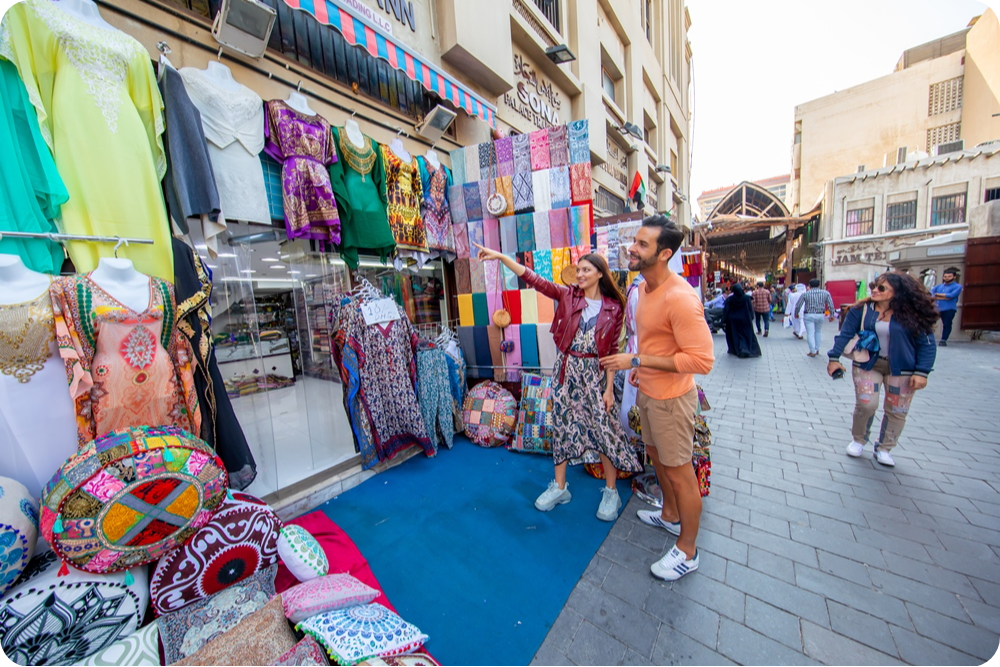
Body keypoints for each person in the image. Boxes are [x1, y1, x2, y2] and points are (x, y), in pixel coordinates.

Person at [473, 243, 641, 521]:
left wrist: (610, 388)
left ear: (600, 273)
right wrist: (502, 257)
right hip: (566, 371)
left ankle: (611, 490)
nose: (580, 274)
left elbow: (612, 351)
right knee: (561, 426)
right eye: (579, 270)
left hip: (597, 375)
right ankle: (560, 486)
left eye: (587, 270)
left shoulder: (614, 307)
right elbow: (534, 279)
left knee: (604, 431)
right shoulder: (567, 296)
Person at [601, 214, 715, 581]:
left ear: (664, 253)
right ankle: (669, 514)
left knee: (681, 473)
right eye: (635, 241)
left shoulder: (680, 297)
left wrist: (637, 360)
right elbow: (656, 343)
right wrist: (642, 369)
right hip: (648, 392)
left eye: (642, 244)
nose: (632, 248)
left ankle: (687, 550)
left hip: (672, 400)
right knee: (659, 462)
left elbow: (702, 360)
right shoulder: (644, 289)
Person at [827, 271, 937, 467]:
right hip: (868, 363)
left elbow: (927, 343)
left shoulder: (912, 313)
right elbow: (845, 334)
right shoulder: (862, 310)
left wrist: (922, 371)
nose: (875, 290)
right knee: (866, 404)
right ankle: (858, 439)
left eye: (882, 288)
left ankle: (885, 448)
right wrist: (833, 358)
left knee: (897, 409)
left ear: (899, 292)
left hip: (903, 368)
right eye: (874, 287)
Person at [795, 279, 836, 357]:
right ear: (819, 285)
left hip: (808, 315)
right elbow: (831, 305)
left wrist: (796, 313)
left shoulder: (805, 294)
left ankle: (812, 350)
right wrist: (832, 315)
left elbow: (798, 305)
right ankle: (817, 349)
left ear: (809, 285)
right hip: (820, 314)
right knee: (818, 331)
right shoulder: (825, 293)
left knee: (810, 333)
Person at [721, 284, 761, 358]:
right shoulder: (746, 298)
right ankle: (745, 348)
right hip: (745, 319)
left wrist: (723, 321)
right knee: (745, 335)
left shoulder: (730, 299)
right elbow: (750, 309)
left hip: (733, 321)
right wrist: (751, 317)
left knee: (735, 335)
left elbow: (726, 310)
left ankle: (736, 349)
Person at [931, 267, 963, 347]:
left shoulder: (958, 286)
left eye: (949, 276)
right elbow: (932, 293)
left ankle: (943, 340)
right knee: (929, 322)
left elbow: (951, 295)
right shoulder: (939, 286)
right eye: (945, 276)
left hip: (949, 309)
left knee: (947, 324)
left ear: (954, 277)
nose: (947, 278)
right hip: (937, 308)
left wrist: (938, 295)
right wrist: (944, 297)